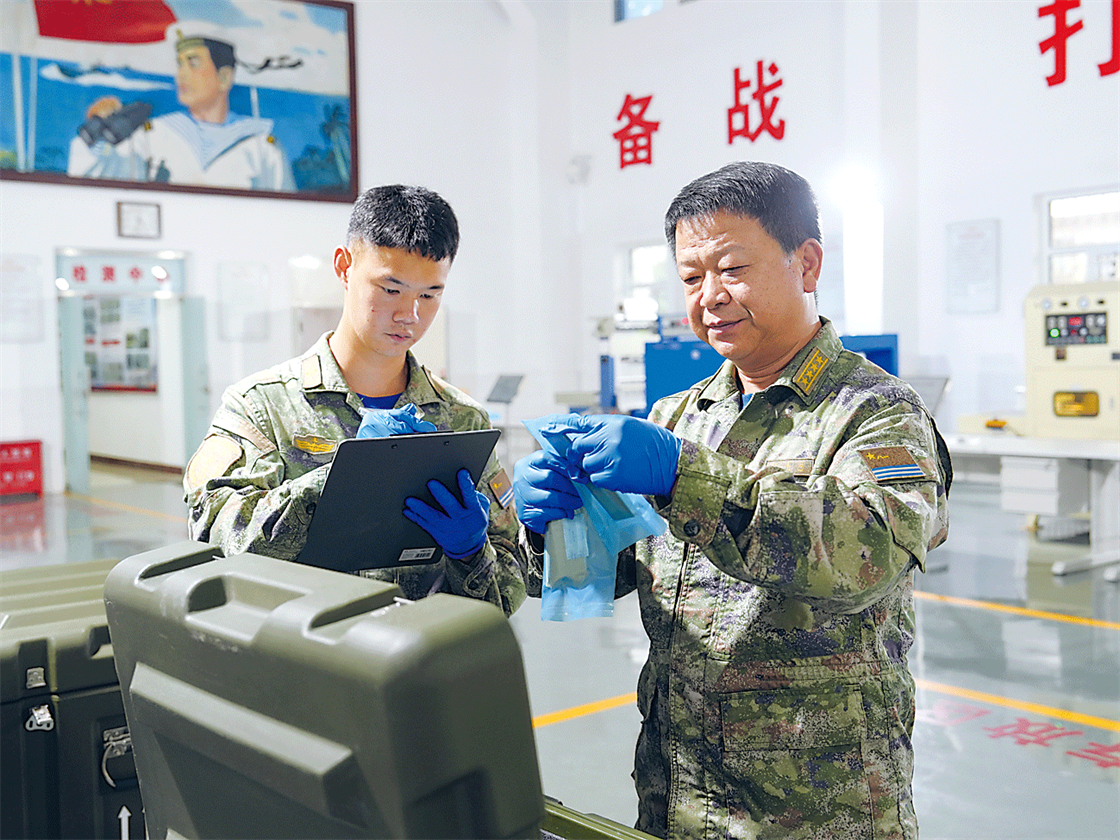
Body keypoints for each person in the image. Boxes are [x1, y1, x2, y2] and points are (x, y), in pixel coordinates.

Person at [513, 161, 951, 838]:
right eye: (692, 278)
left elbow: (865, 556)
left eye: (733, 269)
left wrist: (680, 475)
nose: (710, 296)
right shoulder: (678, 415)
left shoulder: (876, 412)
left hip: (815, 812)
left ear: (807, 264)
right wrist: (555, 524)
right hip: (678, 797)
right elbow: (605, 573)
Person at [184, 184, 526, 616]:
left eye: (429, 295)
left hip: (423, 651)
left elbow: (508, 591)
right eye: (391, 289)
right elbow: (215, 541)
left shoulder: (461, 420)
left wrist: (470, 553)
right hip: (305, 649)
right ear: (345, 267)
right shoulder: (262, 407)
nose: (409, 315)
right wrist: (336, 484)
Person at [67, 31, 294, 191]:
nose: (181, 75)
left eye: (193, 63)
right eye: (179, 64)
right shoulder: (154, 133)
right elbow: (100, 179)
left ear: (224, 77)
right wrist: (98, 133)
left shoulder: (262, 144)